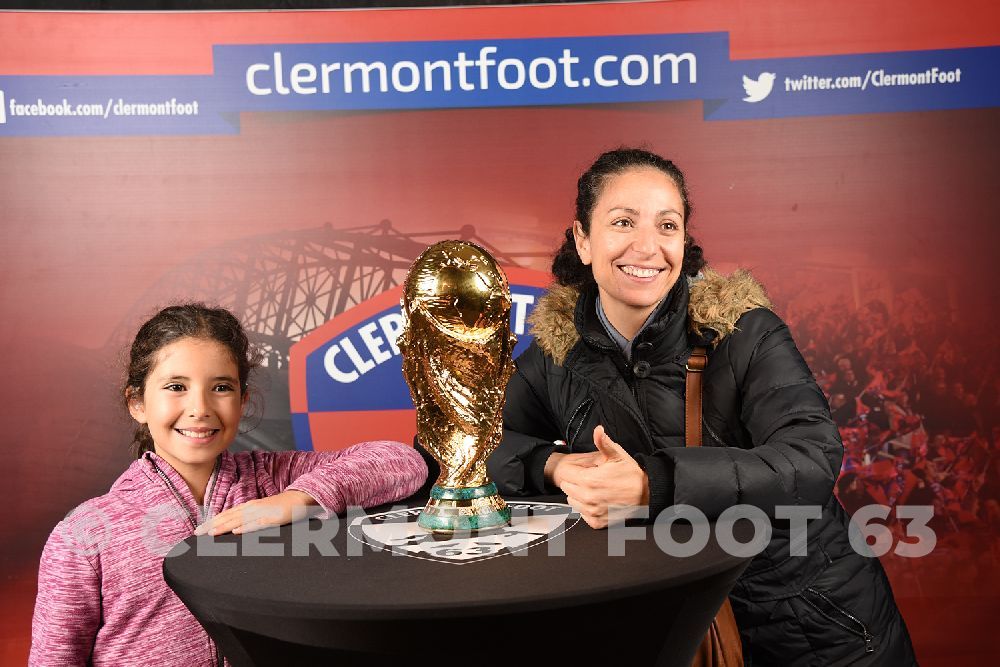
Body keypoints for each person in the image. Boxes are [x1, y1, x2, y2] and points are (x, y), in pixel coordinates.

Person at [488, 148, 917, 665]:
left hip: (814, 625)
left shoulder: (747, 332)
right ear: (582, 239)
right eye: (623, 222)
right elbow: (462, 448)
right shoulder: (555, 356)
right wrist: (553, 466)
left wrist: (652, 484)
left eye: (667, 225)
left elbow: (811, 462)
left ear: (684, 240)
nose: (647, 246)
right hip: (668, 627)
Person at [30, 304, 427, 666]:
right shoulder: (84, 534)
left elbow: (403, 461)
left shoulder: (275, 478)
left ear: (242, 400)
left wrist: (296, 499)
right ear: (137, 403)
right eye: (175, 386)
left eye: (221, 387)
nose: (200, 408)